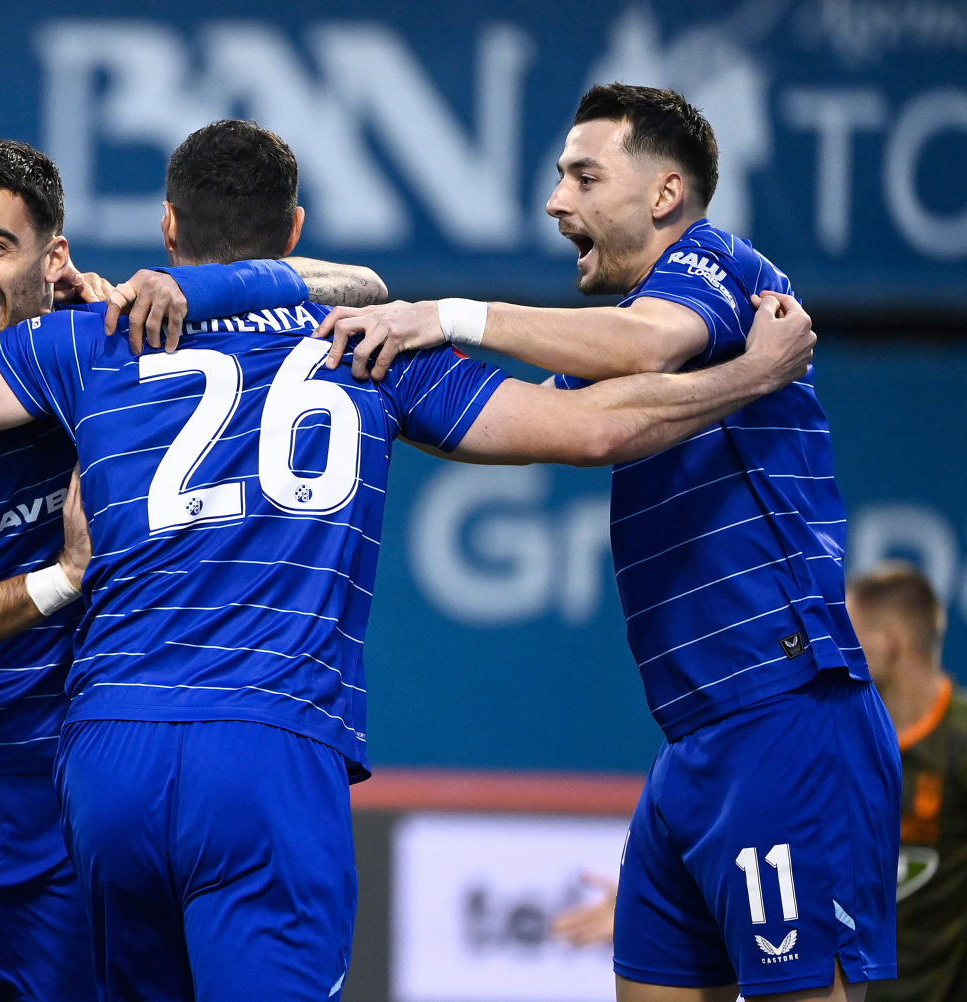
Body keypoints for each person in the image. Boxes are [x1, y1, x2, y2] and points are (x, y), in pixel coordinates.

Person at [0, 119, 816, 1002]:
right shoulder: (371, 345)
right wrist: (748, 375)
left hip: (108, 751)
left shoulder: (96, 340)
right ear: (295, 229)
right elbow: (595, 427)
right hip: (269, 745)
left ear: (169, 229)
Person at [310, 83, 899, 1002]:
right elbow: (538, 422)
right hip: (691, 742)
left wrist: (450, 313)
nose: (557, 201)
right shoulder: (639, 348)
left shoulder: (716, 265)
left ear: (665, 194)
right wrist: (356, 359)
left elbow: (645, 344)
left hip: (784, 712)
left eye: (585, 177)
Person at [0, 136, 388, 1002]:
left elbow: (362, 284)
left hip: (54, 775)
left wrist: (203, 288)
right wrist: (63, 577)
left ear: (55, 260)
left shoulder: (111, 352)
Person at [848, 562, 967, 1002]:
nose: (838, 649)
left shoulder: (960, 744)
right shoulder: (841, 744)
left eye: (851, 633)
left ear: (890, 641)